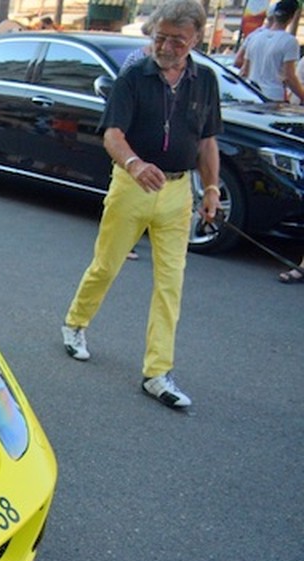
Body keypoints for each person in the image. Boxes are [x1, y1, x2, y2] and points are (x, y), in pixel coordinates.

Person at [60, 0, 221, 410]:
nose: (166, 46)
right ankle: (75, 323)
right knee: (107, 265)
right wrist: (134, 163)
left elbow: (207, 140)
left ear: (196, 40)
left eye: (177, 41)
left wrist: (213, 189)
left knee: (171, 284)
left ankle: (157, 372)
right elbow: (112, 133)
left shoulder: (205, 81)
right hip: (132, 186)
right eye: (160, 37)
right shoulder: (133, 76)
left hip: (178, 192)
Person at [235, 0, 304, 103]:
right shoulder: (290, 42)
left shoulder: (254, 37)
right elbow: (289, 77)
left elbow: (244, 70)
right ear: (291, 18)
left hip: (252, 93)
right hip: (273, 96)